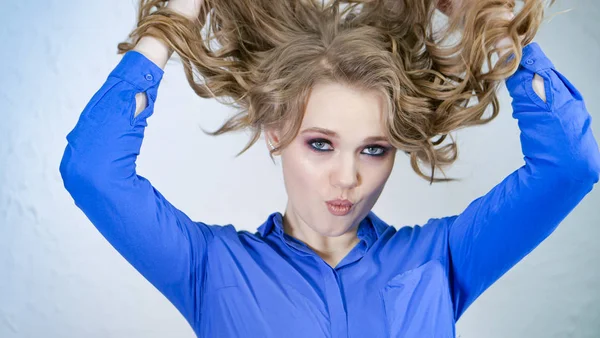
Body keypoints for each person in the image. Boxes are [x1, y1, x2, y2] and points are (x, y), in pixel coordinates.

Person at [59, 0, 600, 337]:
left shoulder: (441, 261)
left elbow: (570, 167)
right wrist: (176, 18)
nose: (348, 178)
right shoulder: (210, 269)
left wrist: (498, 28)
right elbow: (93, 170)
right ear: (276, 133)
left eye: (374, 149)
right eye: (320, 144)